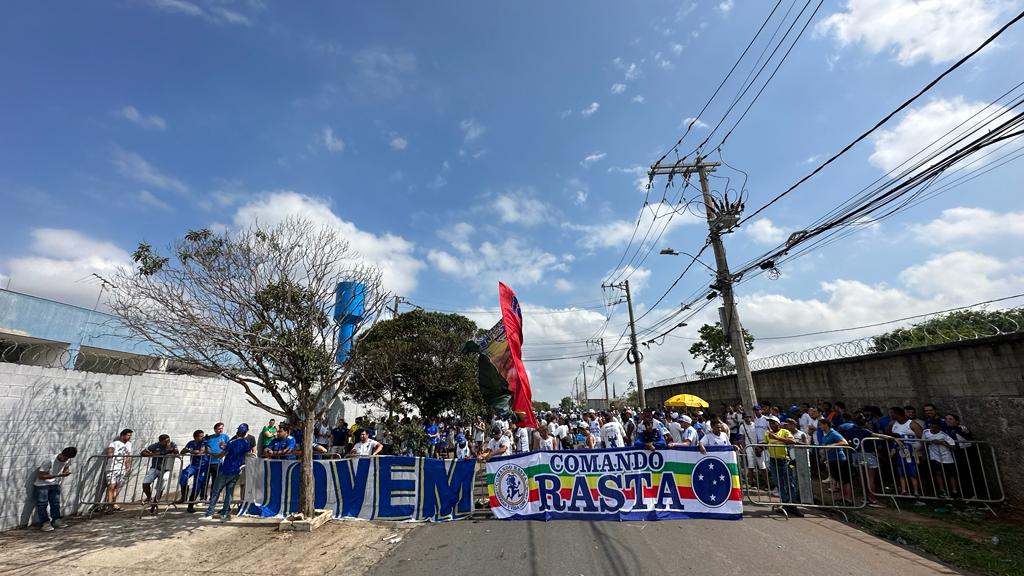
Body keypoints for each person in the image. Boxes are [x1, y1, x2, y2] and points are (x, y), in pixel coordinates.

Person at [204, 424, 252, 522]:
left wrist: (209, 452)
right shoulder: (247, 443)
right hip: (236, 470)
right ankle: (224, 513)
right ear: (245, 433)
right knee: (229, 493)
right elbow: (245, 454)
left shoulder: (232, 443)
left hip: (226, 469)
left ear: (238, 432)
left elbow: (220, 455)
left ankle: (210, 512)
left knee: (216, 491)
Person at [34, 446, 77, 531]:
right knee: (42, 504)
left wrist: (66, 473)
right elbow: (40, 475)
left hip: (55, 484)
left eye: (67, 458)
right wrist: (56, 476)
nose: (65, 460)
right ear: (61, 454)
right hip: (42, 485)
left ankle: (56, 520)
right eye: (65, 458)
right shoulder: (50, 460)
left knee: (55, 503)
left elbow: (66, 469)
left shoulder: (67, 460)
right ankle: (45, 523)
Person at [816, 418, 852, 505]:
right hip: (831, 460)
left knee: (844, 480)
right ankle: (843, 498)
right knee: (839, 480)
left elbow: (844, 442)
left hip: (839, 459)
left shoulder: (834, 433)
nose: (820, 427)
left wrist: (832, 445)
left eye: (821, 425)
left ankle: (849, 499)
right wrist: (823, 457)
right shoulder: (826, 435)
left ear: (826, 425)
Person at [141, 434, 179, 510]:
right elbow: (143, 452)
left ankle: (155, 503)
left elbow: (176, 452)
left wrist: (169, 446)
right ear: (160, 441)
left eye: (168, 440)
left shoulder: (172, 444)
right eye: (165, 441)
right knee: (145, 483)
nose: (167, 442)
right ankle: (149, 498)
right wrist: (152, 454)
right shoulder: (155, 446)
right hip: (155, 467)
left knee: (160, 487)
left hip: (166, 469)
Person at [923, 419, 958, 498]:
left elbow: (954, 447)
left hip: (946, 457)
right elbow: (923, 442)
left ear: (939, 428)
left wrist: (942, 443)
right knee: (937, 473)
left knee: (951, 474)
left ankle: (954, 490)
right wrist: (930, 442)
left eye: (936, 428)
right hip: (934, 456)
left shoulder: (944, 435)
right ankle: (942, 490)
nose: (933, 429)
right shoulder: (925, 432)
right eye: (932, 427)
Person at [177, 430, 208, 513]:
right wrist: (188, 450)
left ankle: (190, 505)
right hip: (193, 465)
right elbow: (182, 451)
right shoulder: (191, 443)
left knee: (197, 485)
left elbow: (200, 451)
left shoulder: (204, 442)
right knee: (183, 476)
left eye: (202, 436)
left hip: (202, 466)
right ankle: (184, 496)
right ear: (195, 437)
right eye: (200, 436)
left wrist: (190, 451)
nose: (202, 437)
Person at [105, 429, 133, 511]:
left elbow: (127, 456)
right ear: (122, 435)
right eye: (128, 435)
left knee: (117, 487)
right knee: (111, 487)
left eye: (130, 435)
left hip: (122, 469)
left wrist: (128, 467)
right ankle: (109, 505)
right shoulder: (114, 443)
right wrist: (110, 453)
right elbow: (110, 450)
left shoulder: (129, 444)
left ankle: (114, 504)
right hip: (112, 468)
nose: (129, 437)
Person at [204, 422, 230, 498]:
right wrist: (210, 452)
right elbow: (206, 448)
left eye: (222, 428)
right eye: (219, 429)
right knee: (205, 481)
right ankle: (203, 497)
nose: (220, 430)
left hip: (218, 462)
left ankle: (213, 497)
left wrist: (222, 453)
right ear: (215, 429)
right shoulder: (209, 437)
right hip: (208, 462)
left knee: (215, 481)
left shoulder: (225, 437)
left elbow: (228, 448)